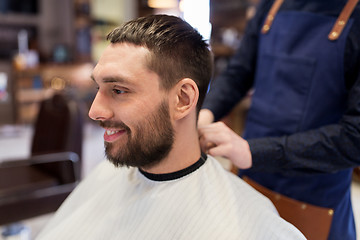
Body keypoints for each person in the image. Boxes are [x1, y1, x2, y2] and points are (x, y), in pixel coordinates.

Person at [35, 15, 304, 240]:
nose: (94, 111)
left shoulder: (247, 225)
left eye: (118, 90)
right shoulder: (108, 175)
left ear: (183, 99)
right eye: (98, 88)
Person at [198, 0, 360, 239]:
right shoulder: (272, 5)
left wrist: (253, 151)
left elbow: (355, 138)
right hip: (250, 179)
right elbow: (238, 73)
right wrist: (205, 113)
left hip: (313, 197)